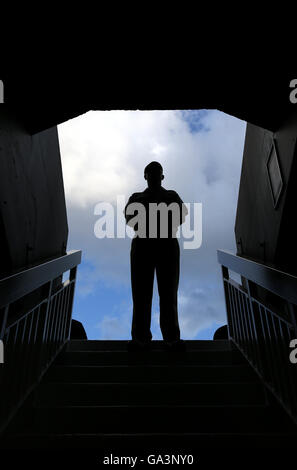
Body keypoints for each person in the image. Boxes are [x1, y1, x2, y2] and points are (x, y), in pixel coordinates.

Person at [124, 161, 188, 351]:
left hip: (166, 245)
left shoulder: (171, 195)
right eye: (150, 172)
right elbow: (130, 218)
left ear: (162, 176)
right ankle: (140, 337)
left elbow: (181, 215)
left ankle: (171, 337)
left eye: (157, 172)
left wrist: (149, 218)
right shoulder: (137, 197)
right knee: (141, 294)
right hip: (143, 245)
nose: (153, 175)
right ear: (145, 176)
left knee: (168, 293)